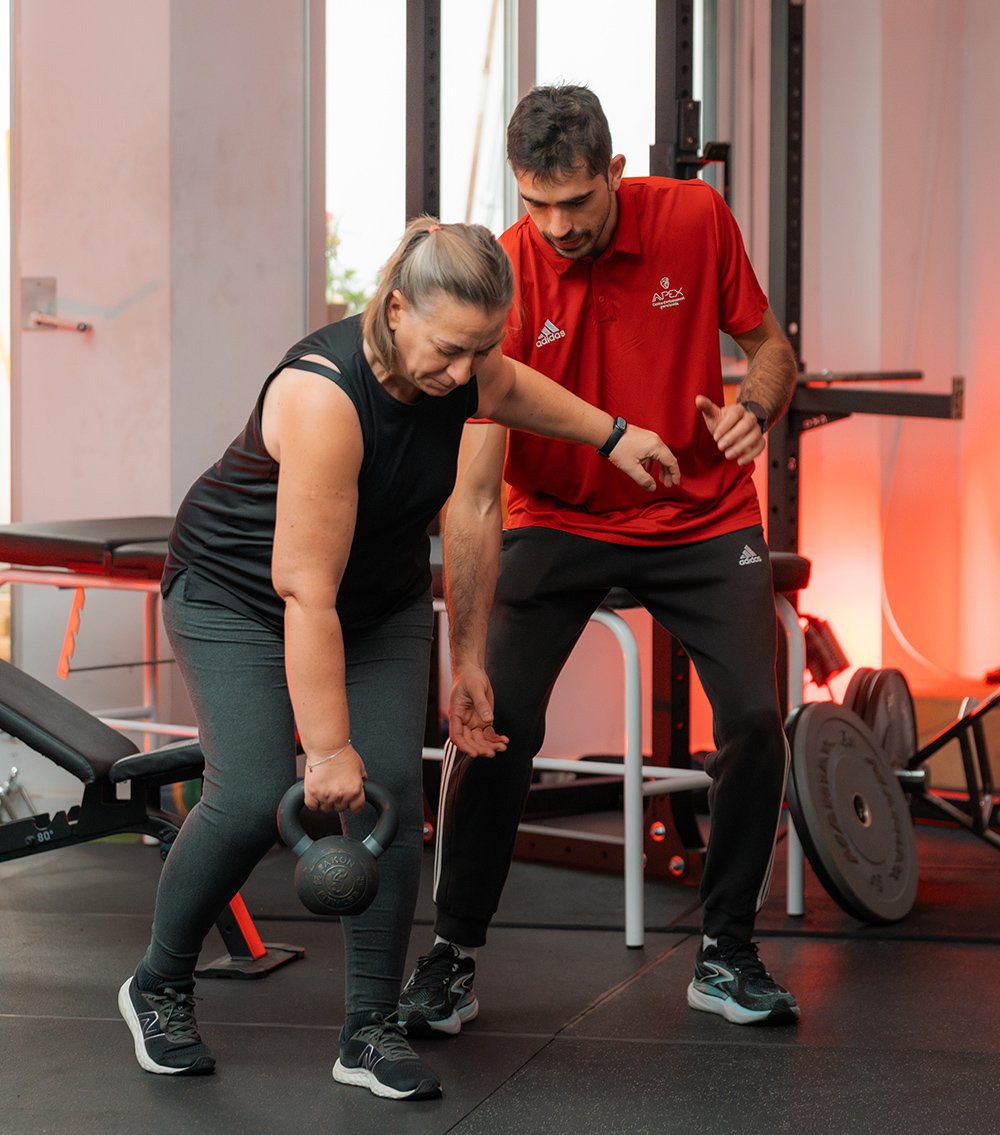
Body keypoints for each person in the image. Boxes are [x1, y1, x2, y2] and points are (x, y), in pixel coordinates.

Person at [116, 216, 679, 1101]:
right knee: (256, 793)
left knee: (395, 796)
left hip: (377, 602)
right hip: (241, 597)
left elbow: (518, 391)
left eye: (478, 351)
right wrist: (328, 746)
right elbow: (304, 593)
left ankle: (368, 1027)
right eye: (451, 350)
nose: (463, 375)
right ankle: (157, 982)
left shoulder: (463, 366)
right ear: (393, 308)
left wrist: (615, 434)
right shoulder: (324, 396)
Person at [398, 84, 801, 1036]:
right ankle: (452, 953)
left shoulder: (695, 216)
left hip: (701, 513)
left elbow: (771, 348)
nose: (555, 225)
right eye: (536, 203)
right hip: (561, 518)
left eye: (574, 202)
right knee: (496, 718)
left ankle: (725, 948)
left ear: (616, 173)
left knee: (752, 712)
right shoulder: (505, 270)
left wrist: (758, 407)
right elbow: (478, 489)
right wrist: (466, 652)